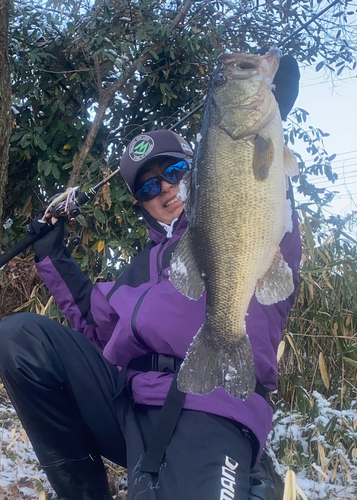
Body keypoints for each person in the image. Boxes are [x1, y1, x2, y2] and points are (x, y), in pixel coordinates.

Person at [0, 56, 302, 500]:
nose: (164, 189)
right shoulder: (139, 270)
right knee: (19, 337)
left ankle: (249, 477)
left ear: (197, 170)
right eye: (148, 186)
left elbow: (259, 192)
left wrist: (273, 122)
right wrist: (51, 253)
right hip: (131, 408)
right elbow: (94, 324)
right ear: (140, 204)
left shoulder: (247, 225)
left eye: (175, 172)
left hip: (212, 405)